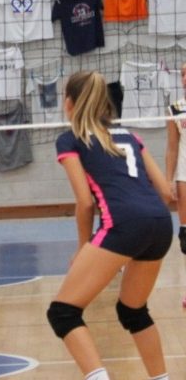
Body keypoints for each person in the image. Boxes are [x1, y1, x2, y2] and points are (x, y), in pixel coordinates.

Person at [47, 71, 173, 380]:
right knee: (132, 310)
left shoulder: (70, 140)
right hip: (160, 223)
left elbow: (84, 202)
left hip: (123, 224)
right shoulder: (130, 136)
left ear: (69, 103)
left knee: (63, 313)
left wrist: (83, 247)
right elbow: (165, 192)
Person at [165, 62, 186, 309]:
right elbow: (171, 147)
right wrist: (169, 179)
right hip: (184, 176)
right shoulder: (175, 109)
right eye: (182, 74)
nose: (185, 78)